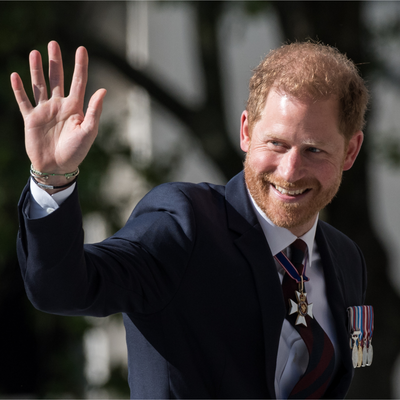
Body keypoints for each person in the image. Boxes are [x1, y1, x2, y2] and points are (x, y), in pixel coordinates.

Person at [12, 40, 369, 399]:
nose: (290, 171)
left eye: (314, 150)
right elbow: (63, 289)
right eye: (276, 144)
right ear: (246, 131)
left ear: (350, 151)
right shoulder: (185, 224)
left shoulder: (345, 258)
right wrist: (53, 177)